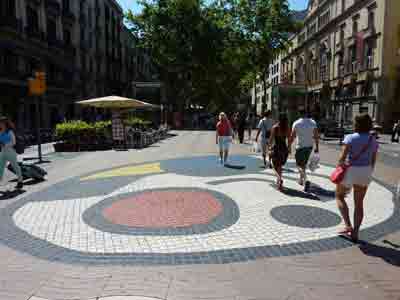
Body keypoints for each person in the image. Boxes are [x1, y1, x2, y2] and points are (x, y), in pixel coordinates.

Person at [335, 114, 378, 242]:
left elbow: (342, 158)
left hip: (351, 170)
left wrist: (340, 167)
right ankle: (356, 233)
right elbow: (373, 160)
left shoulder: (350, 138)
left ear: (356, 124)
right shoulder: (373, 140)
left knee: (339, 196)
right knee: (359, 203)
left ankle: (348, 225)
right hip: (366, 171)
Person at [289, 109, 319, 192]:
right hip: (309, 147)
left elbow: (292, 136)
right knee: (303, 165)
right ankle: (301, 180)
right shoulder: (313, 122)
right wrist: (317, 147)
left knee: (299, 165)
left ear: (299, 114)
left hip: (300, 147)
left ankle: (306, 179)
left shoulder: (296, 123)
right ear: (306, 113)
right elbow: (316, 135)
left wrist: (289, 146)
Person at [0, 117, 23, 190]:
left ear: (5, 123)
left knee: (15, 166)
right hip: (3, 152)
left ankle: (20, 181)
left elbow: (14, 142)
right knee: (0, 168)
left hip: (10, 151)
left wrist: (5, 144)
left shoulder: (10, 132)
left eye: (1, 123)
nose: (0, 124)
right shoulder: (0, 132)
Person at [269, 113, 290, 191]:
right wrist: (289, 148)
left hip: (276, 149)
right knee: (280, 166)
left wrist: (269, 148)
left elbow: (271, 140)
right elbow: (289, 139)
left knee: (274, 166)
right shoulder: (287, 127)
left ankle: (279, 179)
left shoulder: (275, 127)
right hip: (284, 149)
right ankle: (279, 184)